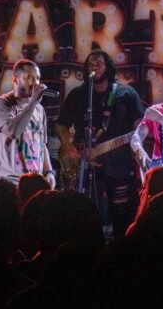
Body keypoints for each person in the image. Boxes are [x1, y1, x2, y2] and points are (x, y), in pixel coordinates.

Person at [55, 49, 145, 239]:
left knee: (122, 218)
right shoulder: (78, 95)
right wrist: (68, 146)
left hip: (119, 166)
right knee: (84, 216)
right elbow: (61, 124)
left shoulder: (126, 93)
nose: (94, 66)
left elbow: (142, 126)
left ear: (109, 67)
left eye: (99, 63)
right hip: (85, 165)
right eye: (90, 63)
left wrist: (139, 142)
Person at [0, 59, 56, 189]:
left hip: (34, 181)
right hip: (9, 182)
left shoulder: (39, 109)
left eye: (38, 78)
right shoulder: (2, 103)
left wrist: (49, 172)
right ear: (15, 80)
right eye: (29, 78)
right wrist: (32, 103)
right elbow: (12, 131)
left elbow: (42, 144)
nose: (35, 83)